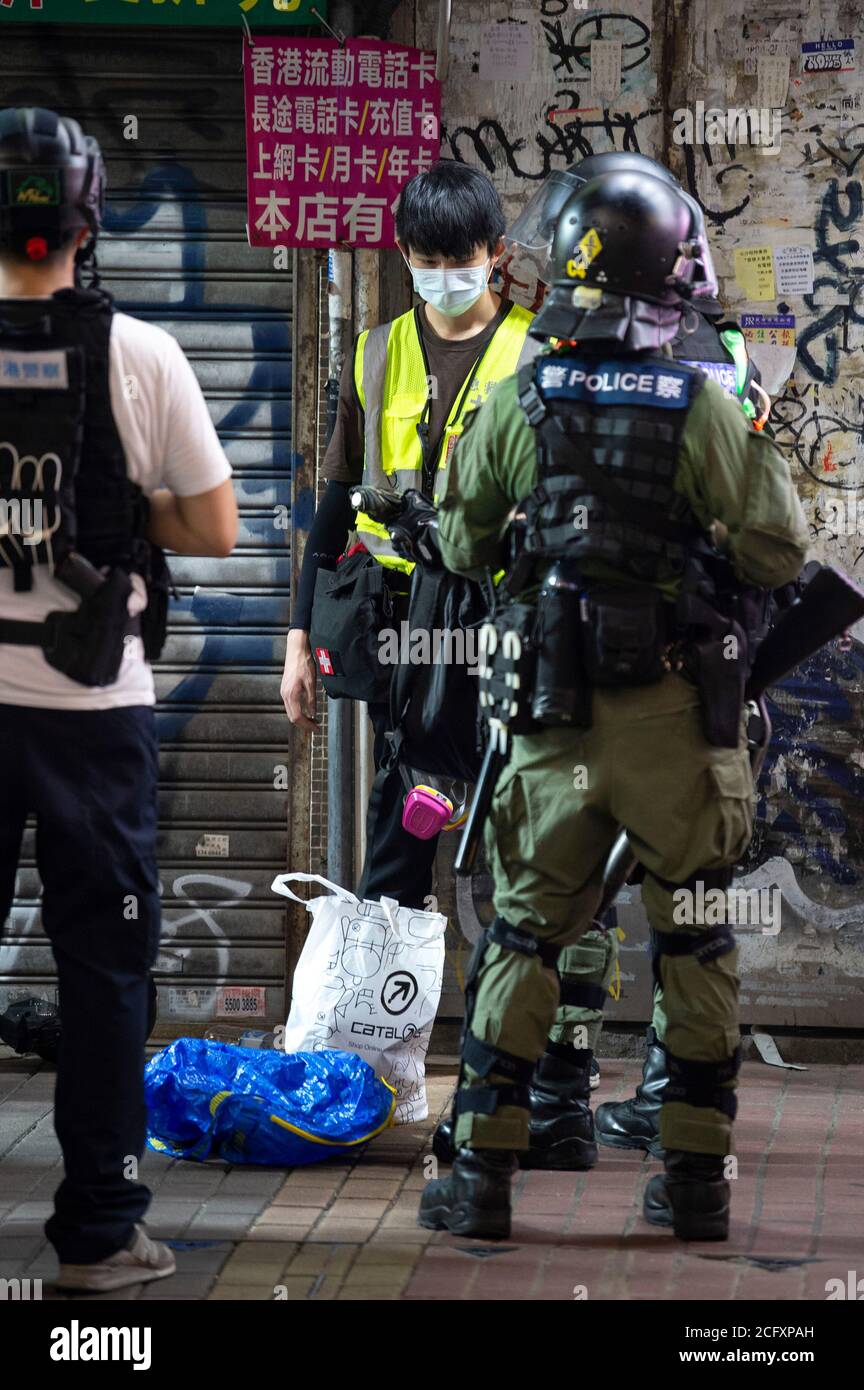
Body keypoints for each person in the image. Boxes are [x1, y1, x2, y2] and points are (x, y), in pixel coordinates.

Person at [420, 168, 808, 1241]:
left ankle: (484, 1180)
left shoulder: (519, 397)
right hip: (682, 722)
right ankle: (694, 1185)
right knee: (694, 943)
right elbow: (780, 547)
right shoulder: (701, 405)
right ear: (669, 278)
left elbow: (460, 543)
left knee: (525, 937)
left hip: (555, 719)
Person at [0, 107, 237, 1292]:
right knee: (103, 972)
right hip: (95, 711)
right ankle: (96, 1231)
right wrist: (104, 515)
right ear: (90, 218)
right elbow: (215, 522)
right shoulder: (138, 352)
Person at [281, 161, 537, 908]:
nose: (445, 276)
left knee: (514, 829)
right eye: (428, 262)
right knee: (401, 821)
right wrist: (299, 637)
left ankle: (518, 1006)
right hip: (398, 627)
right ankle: (374, 1012)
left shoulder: (536, 354)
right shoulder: (375, 351)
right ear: (403, 254)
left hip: (497, 620)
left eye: (461, 260)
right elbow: (334, 501)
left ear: (496, 253)